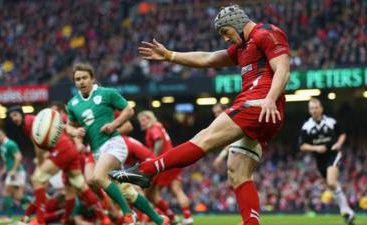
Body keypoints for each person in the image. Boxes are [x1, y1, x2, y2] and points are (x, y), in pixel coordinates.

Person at [109, 4, 290, 225]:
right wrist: (170, 55)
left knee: (203, 138)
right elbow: (208, 59)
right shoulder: (243, 47)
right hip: (265, 114)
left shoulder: (267, 33)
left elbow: (283, 68)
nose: (225, 39)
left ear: (238, 24)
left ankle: (146, 170)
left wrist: (270, 98)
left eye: (226, 32)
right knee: (238, 173)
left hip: (258, 103)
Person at [66, 63, 169, 225]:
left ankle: (128, 213)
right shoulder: (73, 104)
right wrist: (75, 134)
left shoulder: (107, 94)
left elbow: (129, 110)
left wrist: (114, 125)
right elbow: (69, 126)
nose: (81, 82)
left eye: (84, 78)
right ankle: (159, 219)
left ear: (92, 79)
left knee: (97, 177)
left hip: (114, 143)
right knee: (127, 191)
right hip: (97, 151)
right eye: (77, 79)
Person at [8, 106, 109, 225]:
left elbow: (38, 147)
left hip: (61, 149)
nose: (13, 118)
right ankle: (104, 219)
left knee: (37, 179)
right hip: (69, 149)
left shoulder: (29, 122)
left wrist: (40, 165)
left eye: (15, 115)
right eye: (11, 117)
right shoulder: (33, 120)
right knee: (79, 184)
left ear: (21, 113)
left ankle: (39, 221)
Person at [299, 98, 355, 225]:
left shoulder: (330, 122)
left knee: (331, 182)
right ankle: (347, 212)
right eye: (311, 108)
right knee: (331, 185)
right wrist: (316, 148)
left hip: (333, 154)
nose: (314, 110)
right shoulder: (307, 126)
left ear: (321, 108)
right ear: (309, 111)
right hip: (320, 160)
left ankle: (346, 210)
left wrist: (339, 144)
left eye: (316, 107)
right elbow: (302, 145)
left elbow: (342, 133)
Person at [138, 111, 193, 225]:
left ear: (150, 118)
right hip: (172, 160)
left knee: (148, 193)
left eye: (144, 120)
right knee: (176, 190)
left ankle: (157, 217)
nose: (142, 123)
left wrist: (153, 159)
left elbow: (158, 139)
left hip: (163, 163)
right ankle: (186, 217)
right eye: (140, 121)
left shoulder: (153, 128)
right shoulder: (159, 126)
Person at [0, 128, 31, 223]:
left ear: (4, 135)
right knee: (17, 196)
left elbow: (19, 156)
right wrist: (4, 170)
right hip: (12, 172)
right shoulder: (2, 146)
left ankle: (9, 216)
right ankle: (33, 203)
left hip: (17, 172)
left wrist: (14, 170)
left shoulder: (10, 144)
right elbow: (7, 161)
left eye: (0, 135)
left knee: (8, 193)